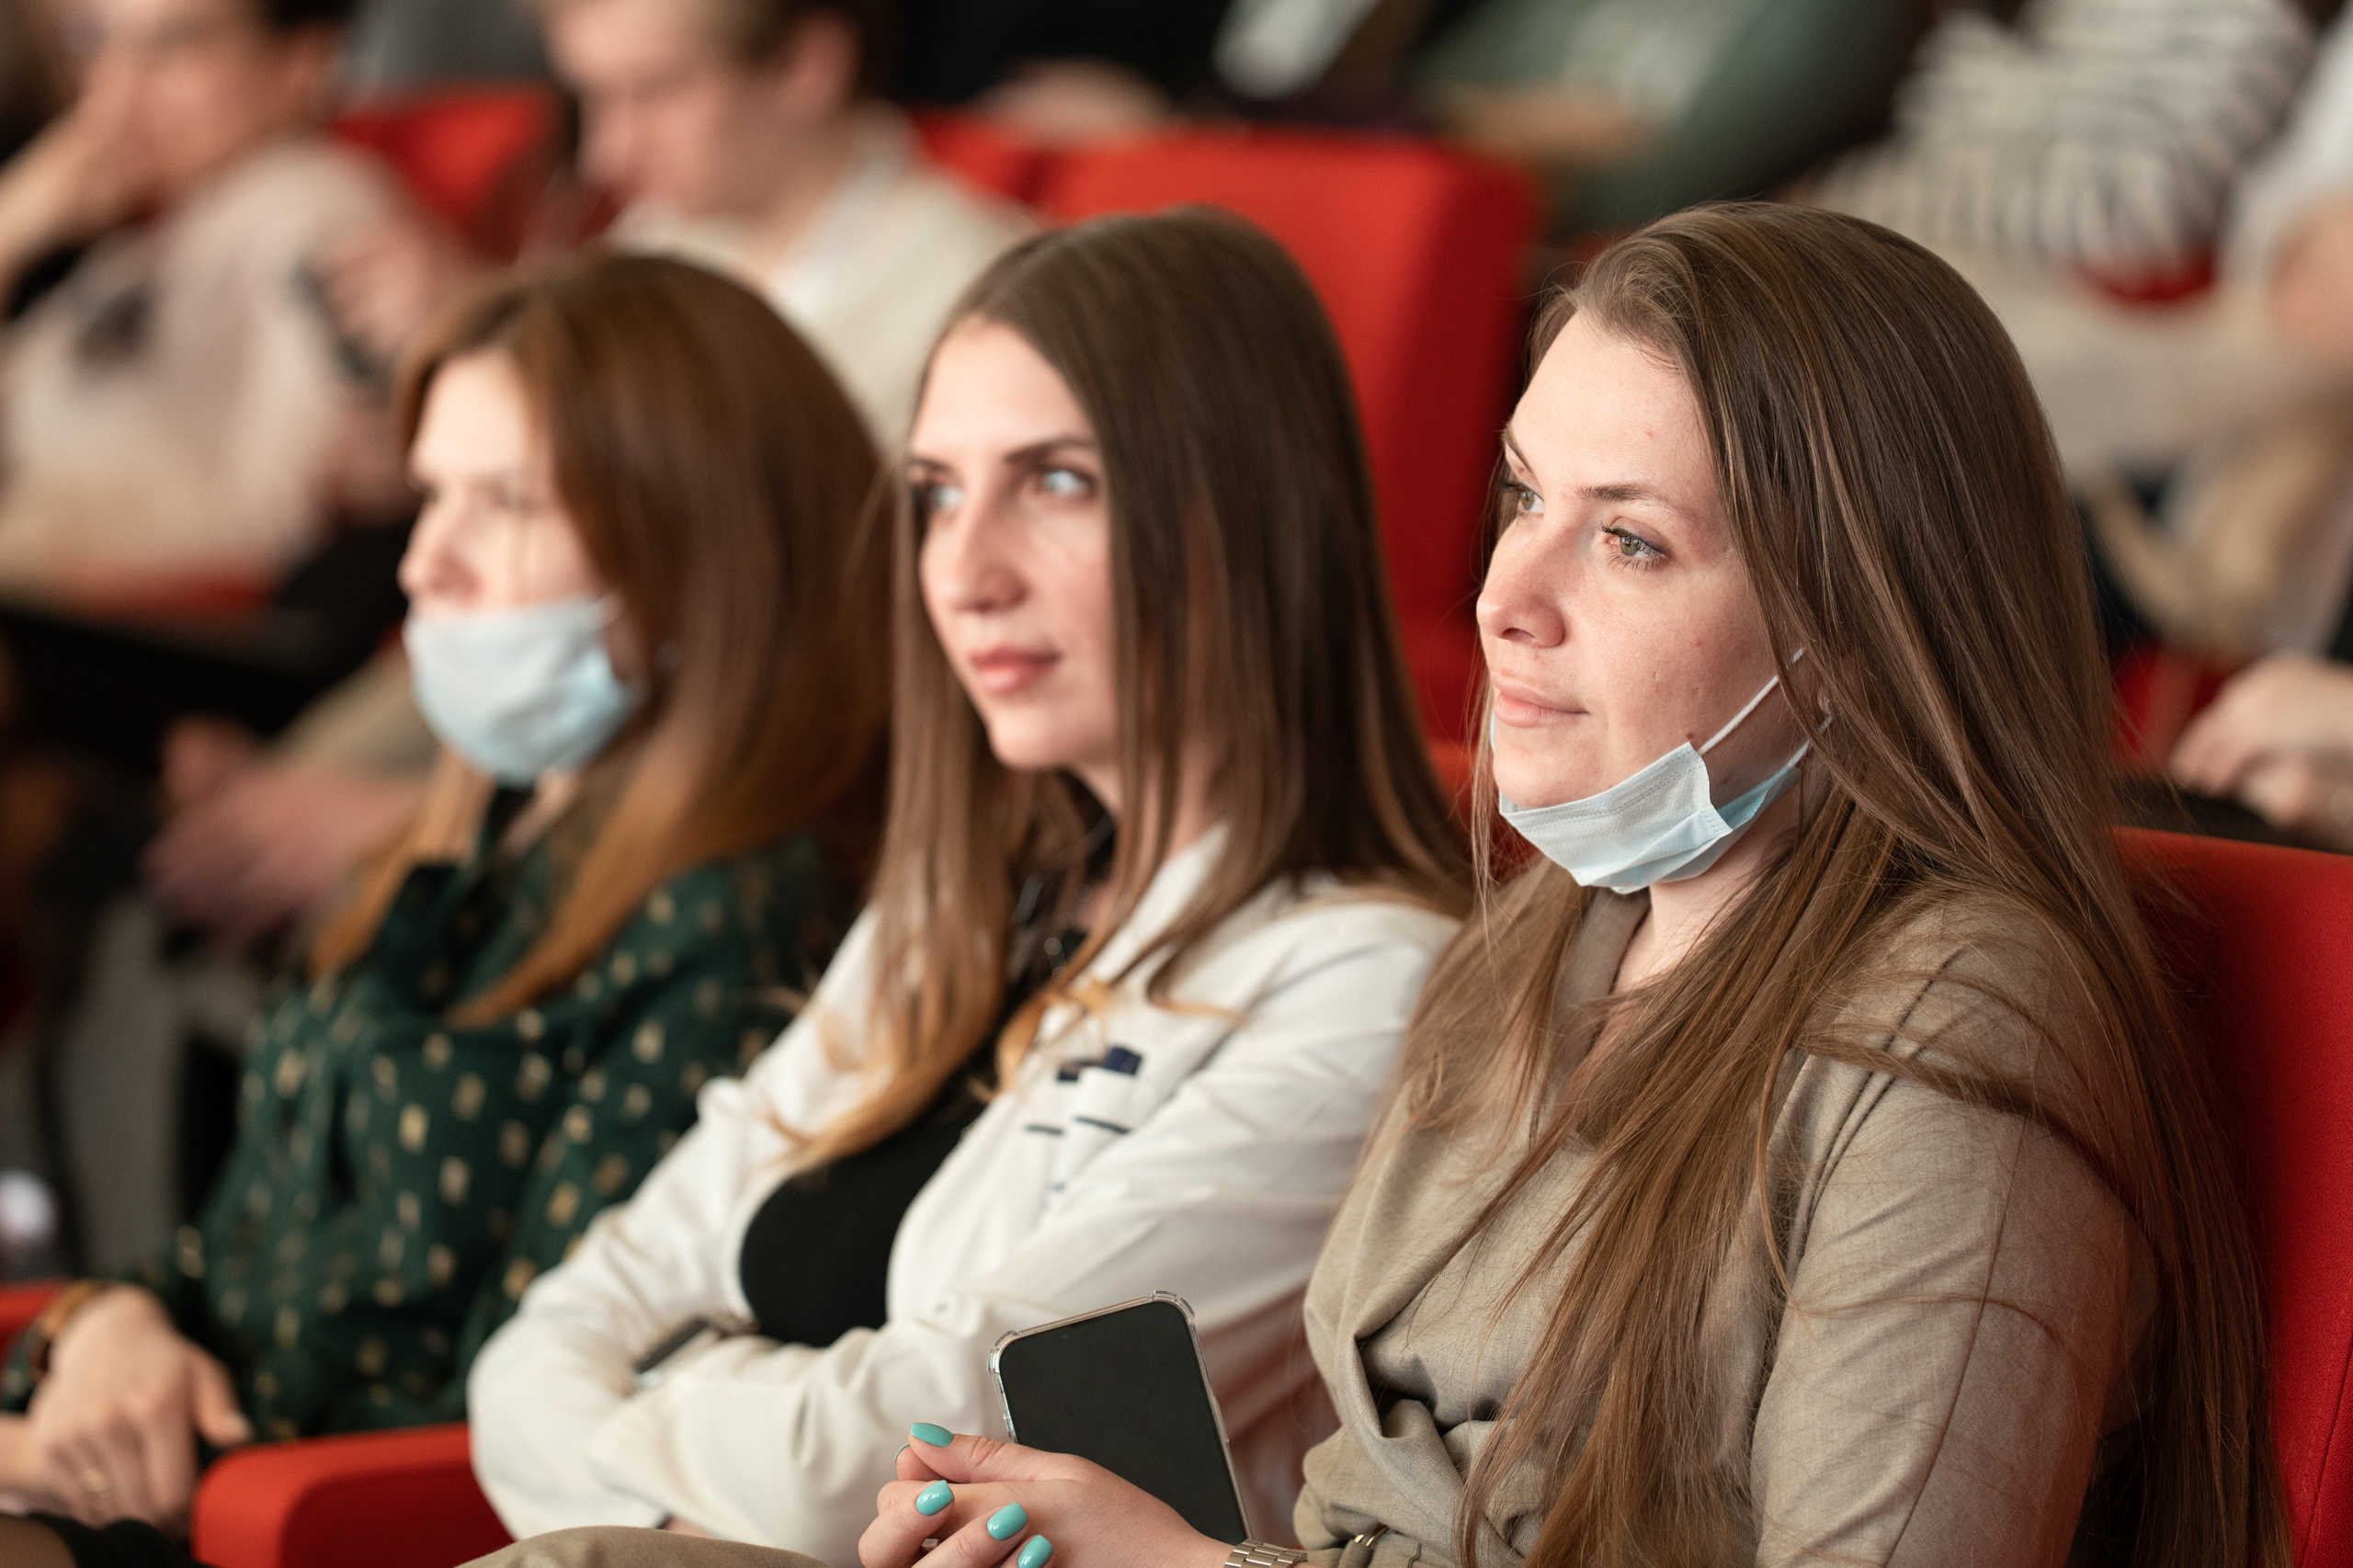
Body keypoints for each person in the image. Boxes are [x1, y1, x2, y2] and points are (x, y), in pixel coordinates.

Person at [820, 203, 2277, 1568]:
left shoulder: (1961, 1020)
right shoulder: (1544, 936)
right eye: (1524, 494)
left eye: (1631, 540)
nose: (1506, 592)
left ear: (1861, 636)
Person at [458, 210, 1468, 1567]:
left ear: (1245, 513)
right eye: (936, 493)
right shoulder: (968, 902)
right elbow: (547, 1339)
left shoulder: (1370, 981)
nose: (968, 573)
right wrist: (681, 1504)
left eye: (1054, 482)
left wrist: (670, 1408)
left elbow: (923, 1434)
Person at [0, 252, 892, 1551]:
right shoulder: (461, 838)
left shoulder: (742, 914)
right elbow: (236, 1254)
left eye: (506, 504)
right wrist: (107, 1324)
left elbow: (531, 1393)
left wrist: (96, 1454)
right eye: (429, 496)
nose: (429, 562)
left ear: (694, 546)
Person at [0, 0, 410, 593]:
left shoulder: (319, 211)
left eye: (173, 46)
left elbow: (276, 525)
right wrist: (14, 229)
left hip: (114, 640)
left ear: (303, 63)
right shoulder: (135, 246)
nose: (118, 88)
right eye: (97, 44)